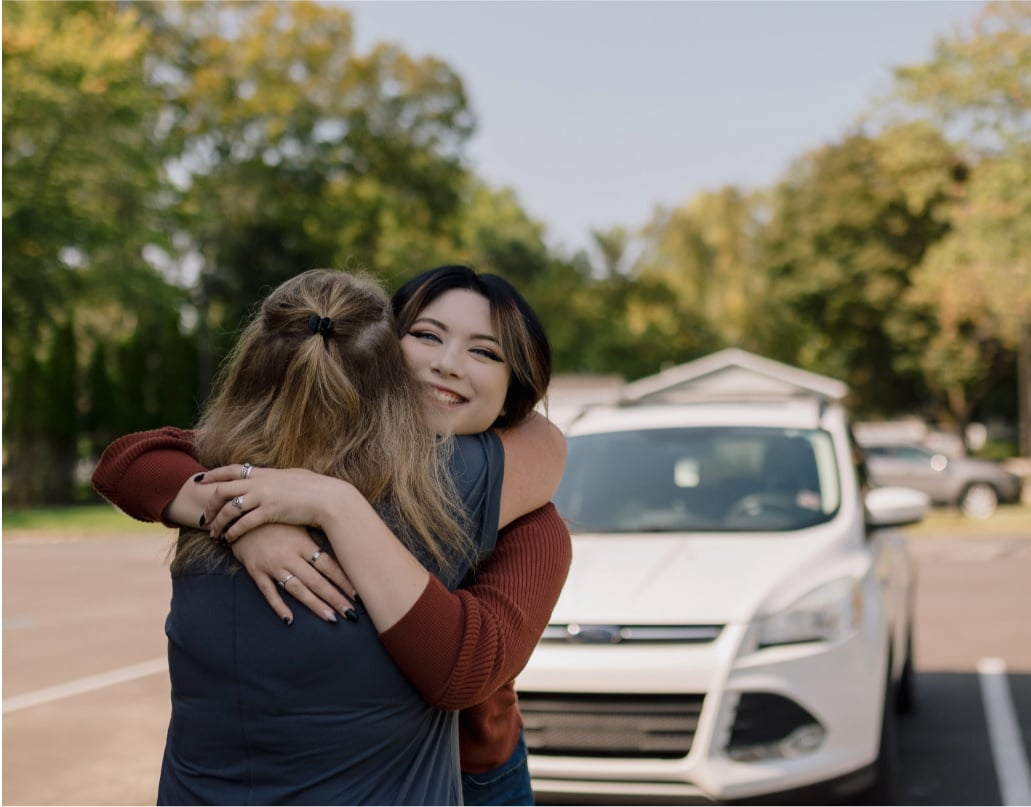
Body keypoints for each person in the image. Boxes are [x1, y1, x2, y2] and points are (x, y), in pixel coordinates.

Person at [93, 265, 573, 805]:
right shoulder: (290, 467)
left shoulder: (522, 510)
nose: (447, 364)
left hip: (476, 769)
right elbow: (134, 460)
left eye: (484, 352)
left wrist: (328, 505)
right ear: (375, 345)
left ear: (514, 389)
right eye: (426, 335)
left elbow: (466, 670)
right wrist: (245, 519)